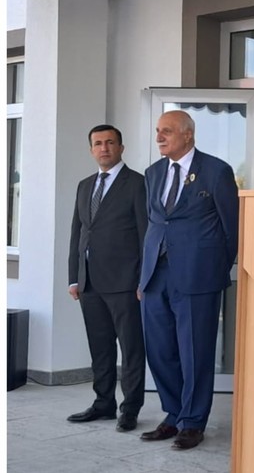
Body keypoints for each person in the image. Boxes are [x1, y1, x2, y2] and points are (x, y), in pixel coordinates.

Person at [138, 110, 239, 450]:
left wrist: (215, 269)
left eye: (167, 131)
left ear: (188, 134)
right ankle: (173, 414)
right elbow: (153, 225)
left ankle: (193, 422)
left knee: (195, 352)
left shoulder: (216, 170)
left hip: (198, 275)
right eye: (158, 131)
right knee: (160, 350)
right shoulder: (153, 173)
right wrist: (143, 277)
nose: (159, 137)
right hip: (156, 276)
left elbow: (232, 228)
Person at [67, 125, 147, 432]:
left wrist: (143, 280)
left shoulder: (137, 184)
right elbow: (78, 233)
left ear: (121, 148)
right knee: (100, 348)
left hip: (125, 283)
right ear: (91, 150)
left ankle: (130, 409)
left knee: (131, 349)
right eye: (98, 143)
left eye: (110, 142)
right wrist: (74, 277)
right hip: (89, 283)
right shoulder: (85, 185)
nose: (104, 148)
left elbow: (145, 234)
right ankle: (103, 403)